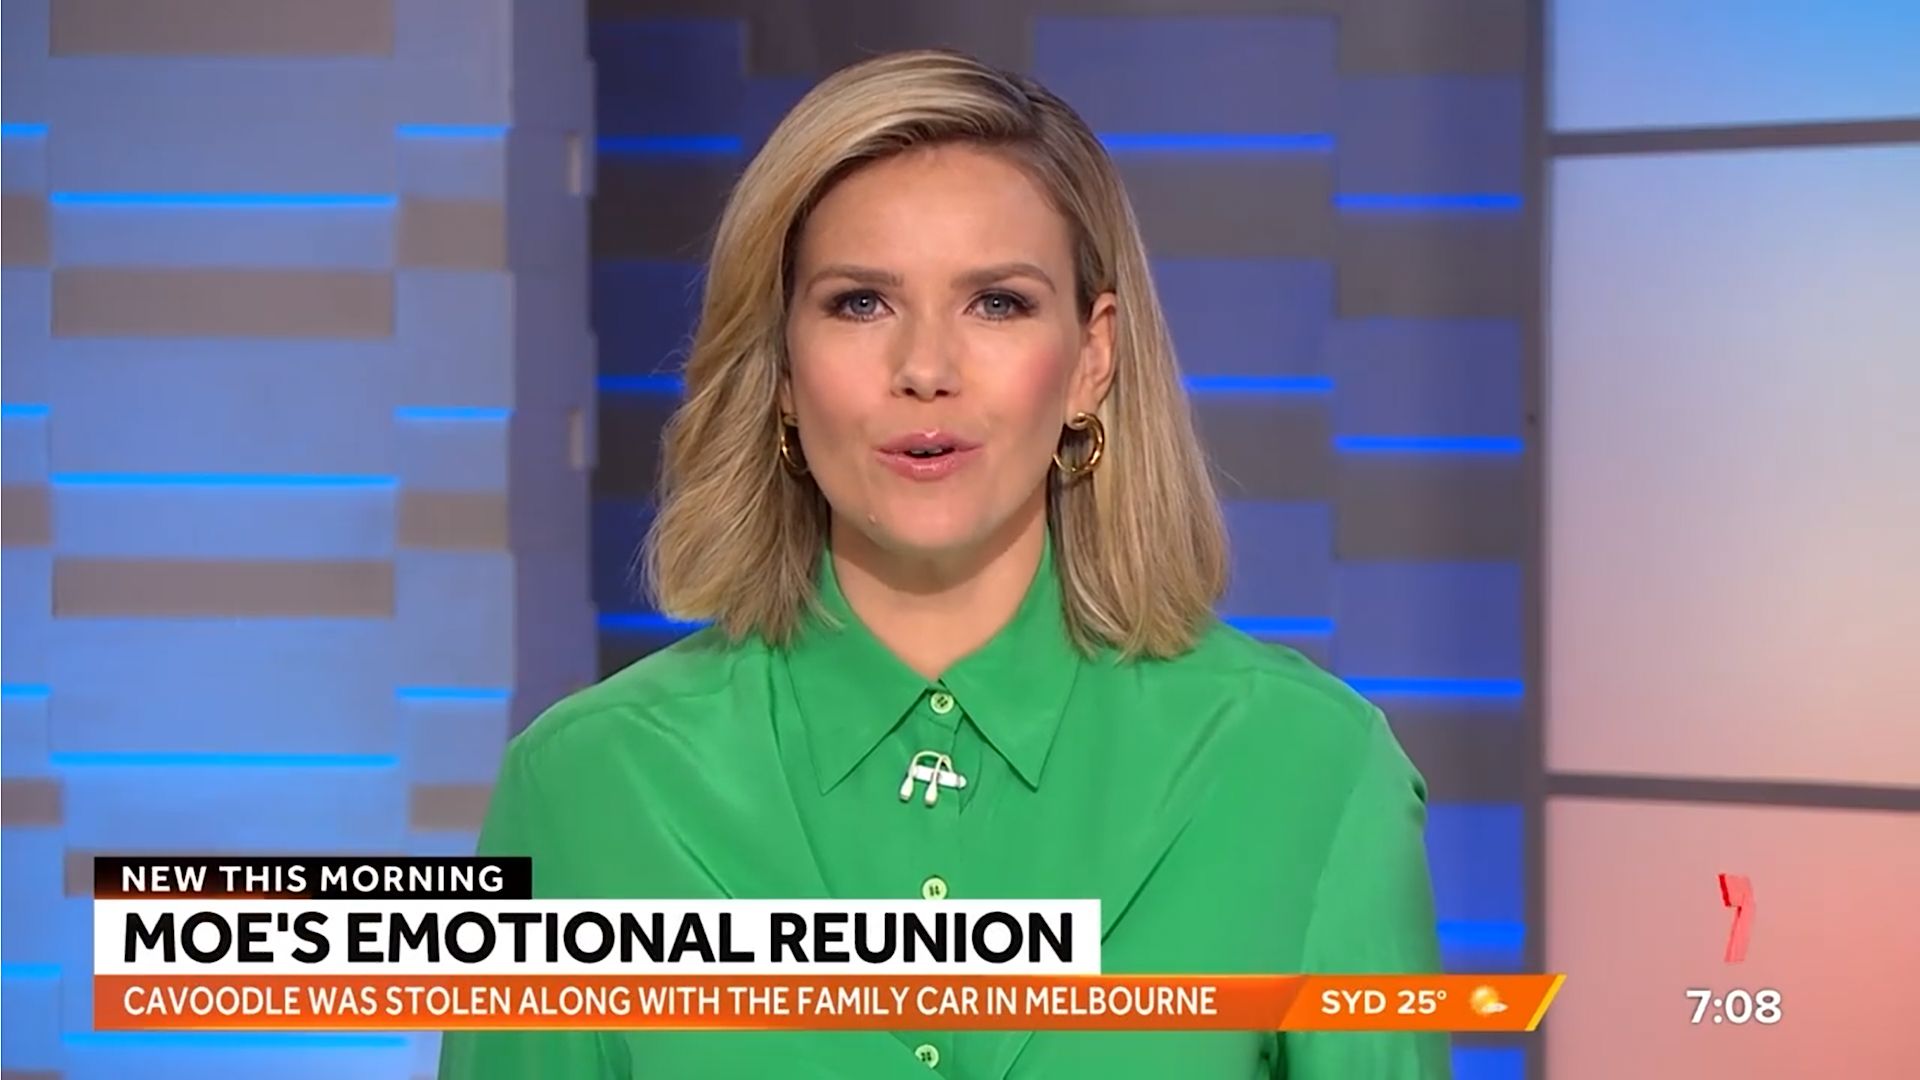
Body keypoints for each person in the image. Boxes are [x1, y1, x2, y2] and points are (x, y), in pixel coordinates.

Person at [440, 48, 1449, 1079]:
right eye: (860, 303)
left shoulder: (1309, 770)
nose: (925, 369)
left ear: (1091, 358)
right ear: (781, 366)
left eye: (997, 303)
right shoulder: (587, 788)